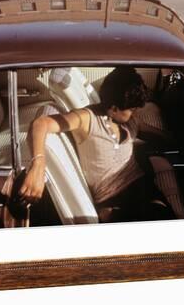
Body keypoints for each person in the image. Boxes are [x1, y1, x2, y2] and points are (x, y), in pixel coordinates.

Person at [19, 66, 174, 223]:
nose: (135, 113)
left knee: (165, 218)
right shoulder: (87, 119)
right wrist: (37, 165)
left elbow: (150, 132)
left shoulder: (129, 120)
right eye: (132, 110)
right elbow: (41, 123)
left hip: (141, 185)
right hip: (113, 200)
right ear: (114, 108)